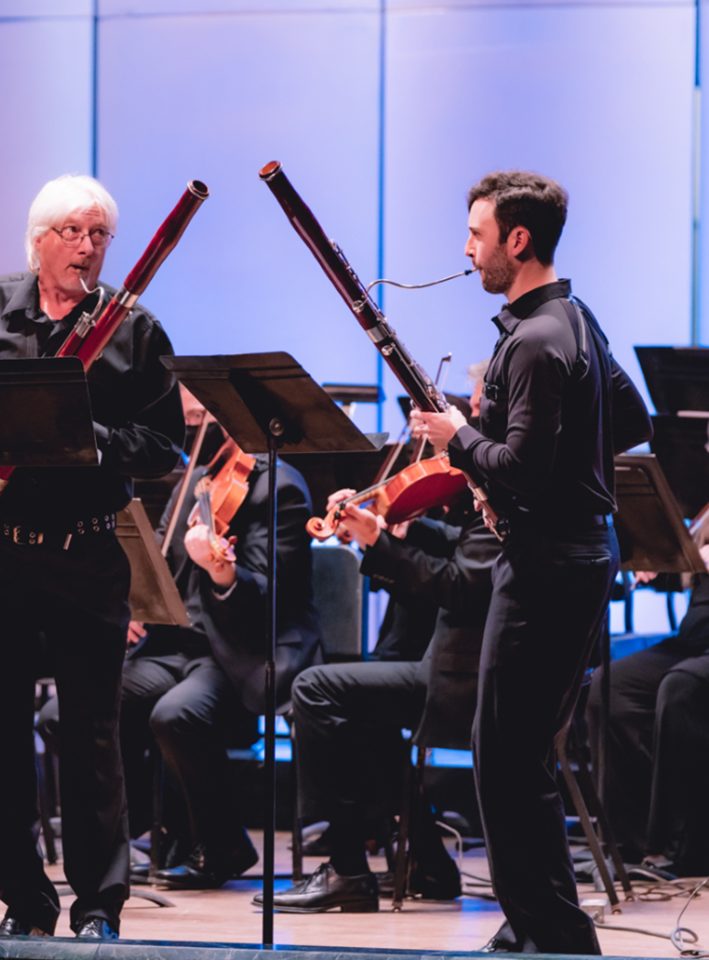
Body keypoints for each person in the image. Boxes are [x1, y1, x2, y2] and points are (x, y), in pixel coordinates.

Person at [0, 174, 184, 940]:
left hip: (87, 551)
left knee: (92, 735)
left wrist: (85, 435)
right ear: (39, 240)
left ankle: (99, 905)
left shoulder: (135, 328)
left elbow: (164, 448)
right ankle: (24, 901)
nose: (89, 247)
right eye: (73, 232)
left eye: (100, 235)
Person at [411, 171, 652, 954]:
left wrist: (458, 440)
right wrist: (527, 481)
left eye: (476, 234)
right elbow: (629, 418)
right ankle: (535, 927)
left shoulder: (540, 339)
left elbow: (523, 467)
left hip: (550, 565)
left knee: (506, 759)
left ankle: (557, 937)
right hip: (568, 553)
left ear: (517, 240)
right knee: (514, 755)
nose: (467, 249)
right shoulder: (571, 319)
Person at [40, 387, 320, 889]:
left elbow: (274, 596)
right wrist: (132, 604)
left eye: (201, 413)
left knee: (177, 716)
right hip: (174, 646)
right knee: (62, 714)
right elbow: (159, 562)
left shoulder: (279, 486)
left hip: (239, 652)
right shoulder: (197, 479)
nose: (192, 424)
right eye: (189, 415)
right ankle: (152, 830)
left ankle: (223, 844)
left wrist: (221, 572)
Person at [266, 439, 499, 911]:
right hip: (455, 664)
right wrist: (386, 528)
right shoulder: (494, 492)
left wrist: (379, 540)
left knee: (314, 690)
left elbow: (460, 586)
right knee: (357, 713)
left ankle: (349, 866)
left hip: (470, 678)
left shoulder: (500, 495)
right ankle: (426, 859)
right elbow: (457, 549)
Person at [586, 536, 709, 877]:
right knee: (612, 686)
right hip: (696, 640)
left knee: (682, 687)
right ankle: (633, 842)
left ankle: (684, 850)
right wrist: (661, 566)